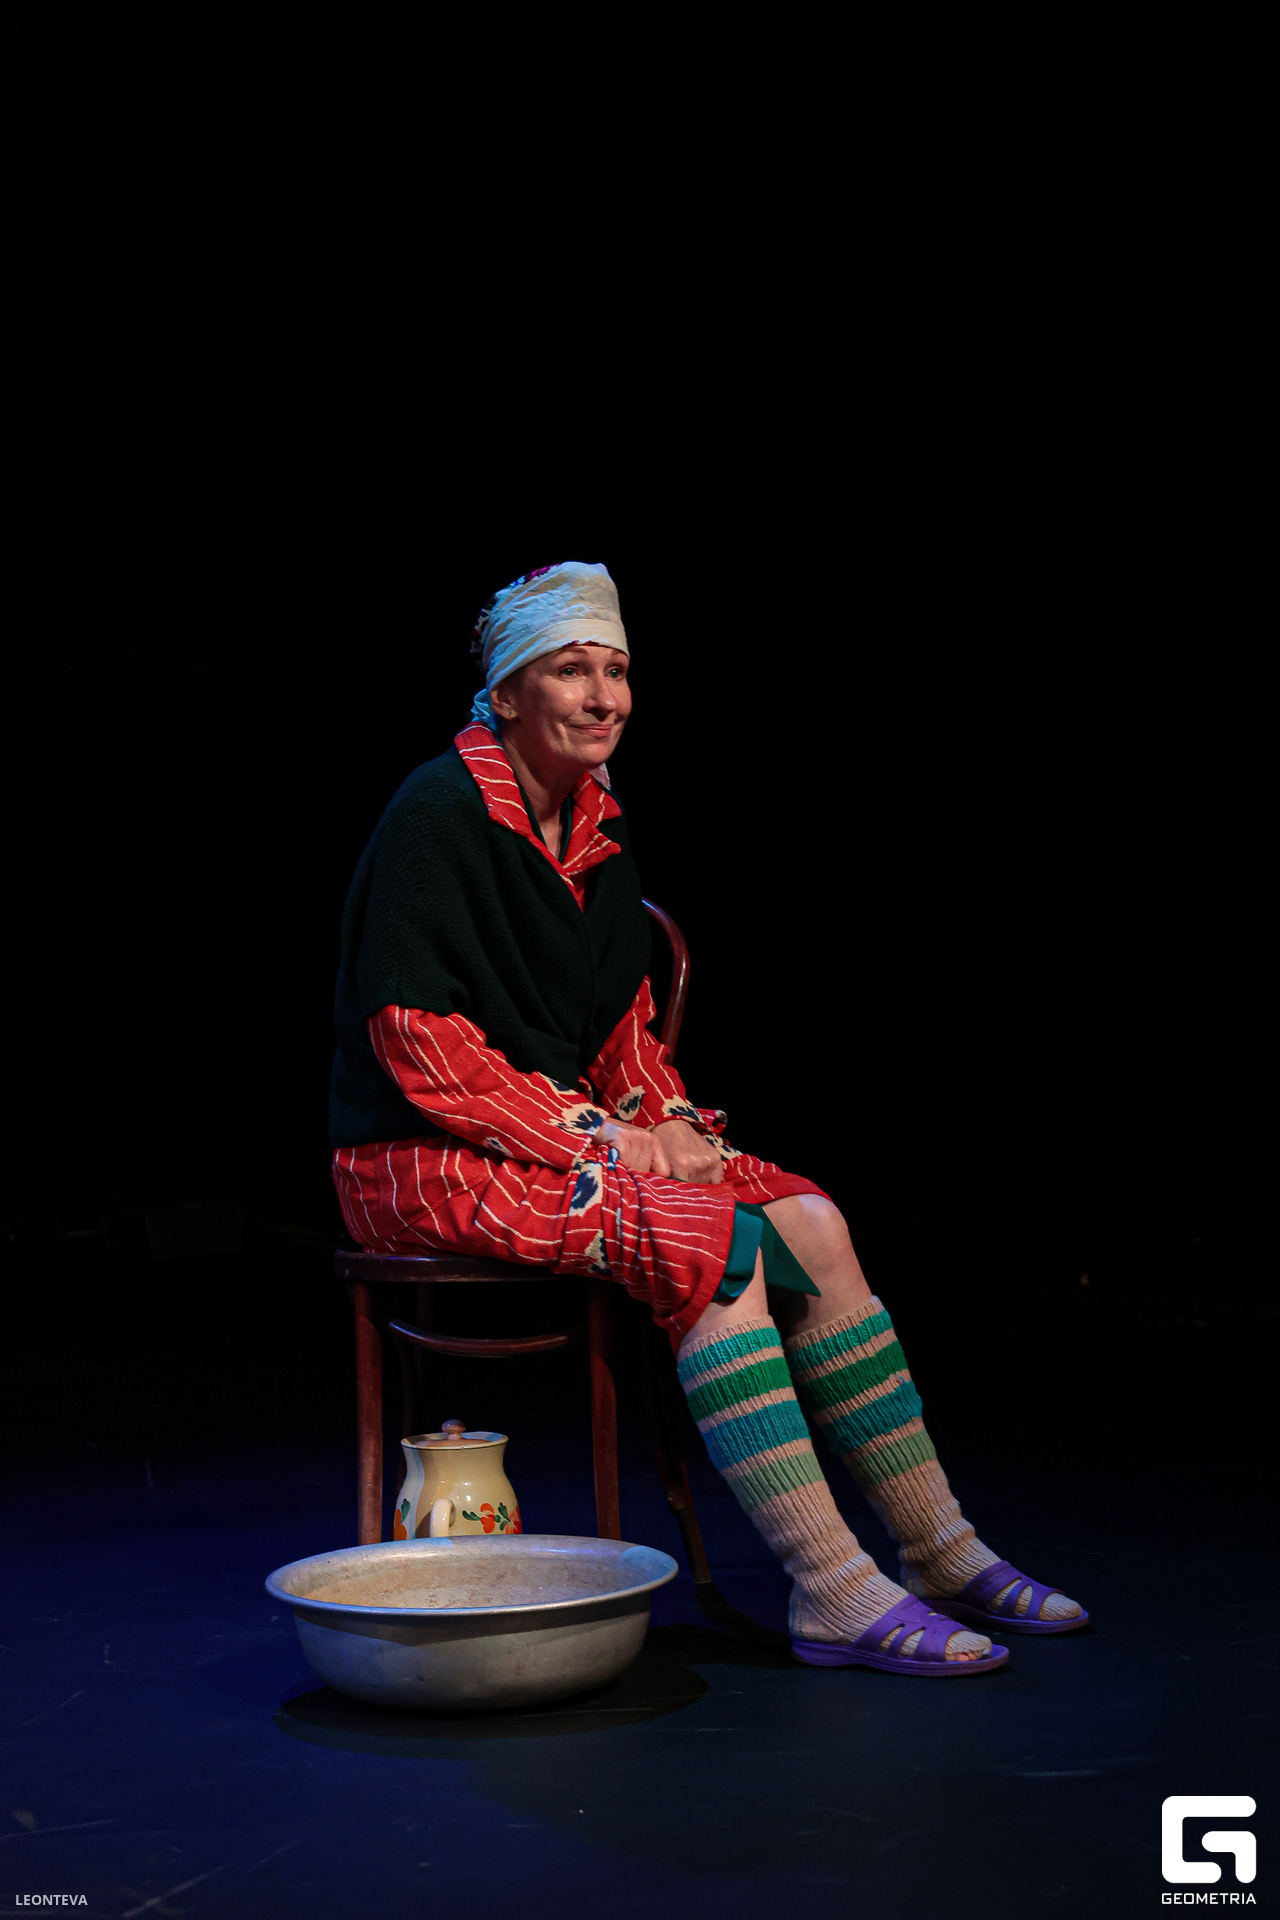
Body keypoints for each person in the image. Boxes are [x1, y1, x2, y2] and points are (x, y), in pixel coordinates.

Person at [329, 560, 1088, 1675]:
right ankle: (830, 1587)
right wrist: (611, 1140)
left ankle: (937, 1547)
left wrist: (670, 1123)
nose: (603, 698)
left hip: (552, 1140)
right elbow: (419, 1044)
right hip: (419, 1155)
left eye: (617, 671)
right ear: (508, 693)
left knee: (809, 1221)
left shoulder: (596, 823)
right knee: (707, 1242)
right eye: (571, 671)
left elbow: (619, 1030)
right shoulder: (436, 815)